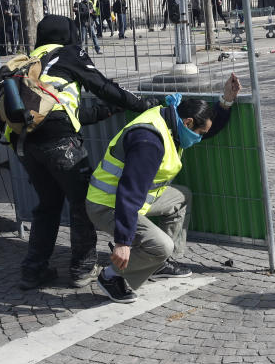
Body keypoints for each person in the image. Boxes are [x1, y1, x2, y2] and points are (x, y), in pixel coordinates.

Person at [11, 15, 156, 289]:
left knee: (48, 206)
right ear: (68, 33)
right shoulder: (68, 52)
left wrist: (110, 110)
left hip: (26, 144)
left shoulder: (31, 60)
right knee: (83, 204)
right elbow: (101, 85)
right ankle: (82, 268)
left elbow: (64, 111)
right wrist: (138, 103)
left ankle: (33, 269)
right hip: (60, 143)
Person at [87, 73, 241, 303]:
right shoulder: (149, 141)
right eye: (198, 134)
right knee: (161, 245)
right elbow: (129, 192)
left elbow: (207, 126)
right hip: (108, 204)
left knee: (181, 197)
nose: (199, 139)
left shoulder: (171, 119)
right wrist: (123, 242)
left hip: (135, 199)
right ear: (188, 122)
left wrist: (227, 100)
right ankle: (110, 276)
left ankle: (160, 263)